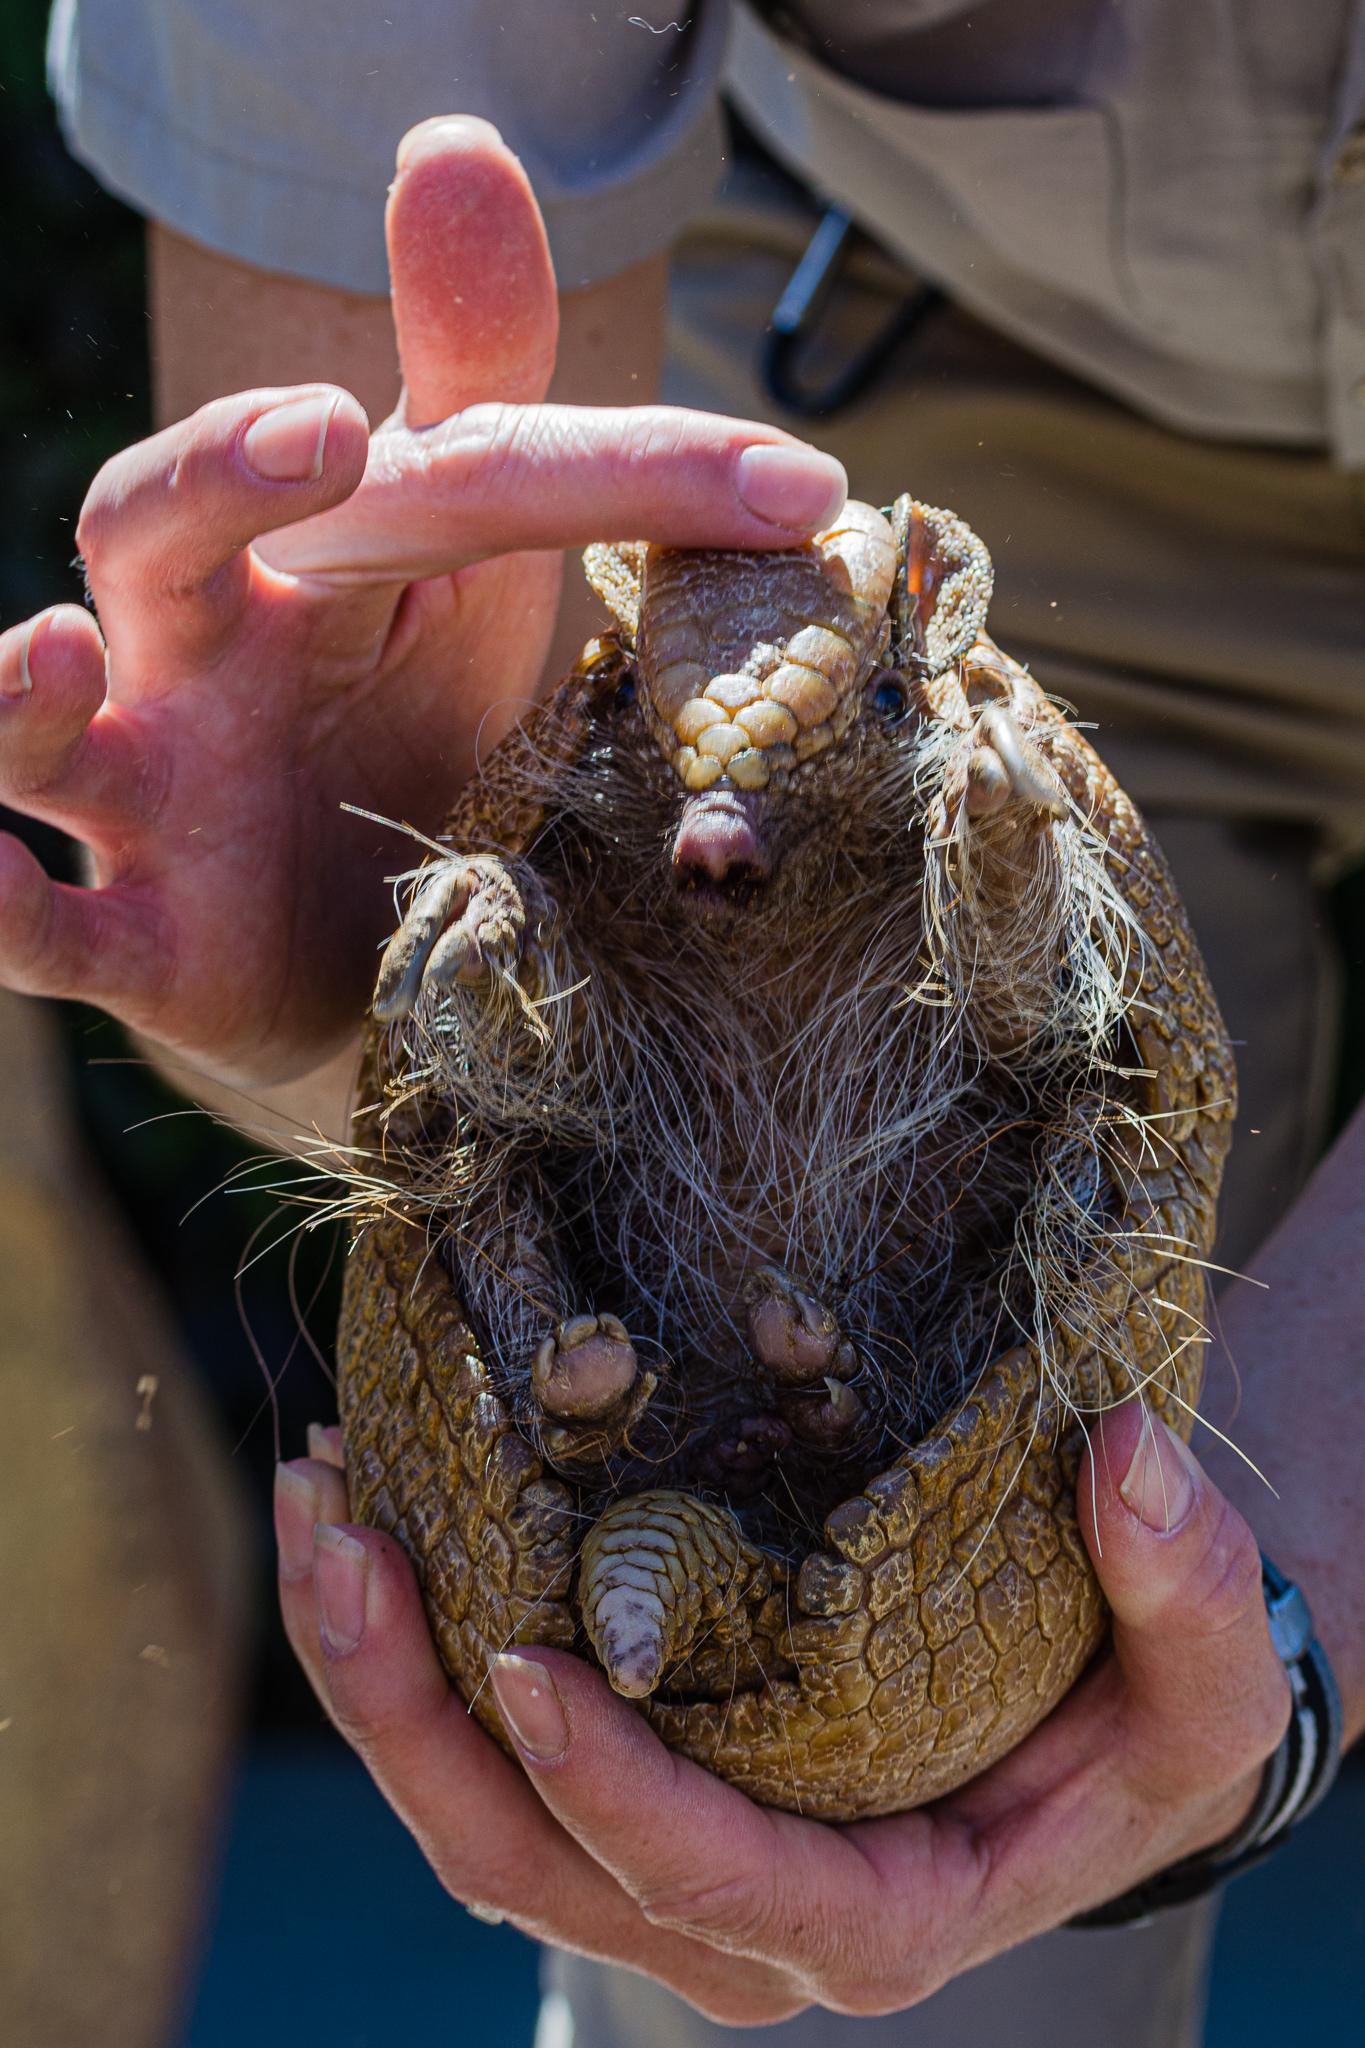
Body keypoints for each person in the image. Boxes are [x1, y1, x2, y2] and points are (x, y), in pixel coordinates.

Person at [11, 0, 1365, 2031]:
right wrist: (350, 984)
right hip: (914, 355)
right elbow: (396, 953)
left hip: (906, 690)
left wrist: (1298, 1598)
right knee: (805, 1912)